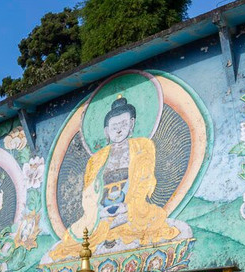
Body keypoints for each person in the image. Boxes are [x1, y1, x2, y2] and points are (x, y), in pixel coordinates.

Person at [53, 95, 179, 258]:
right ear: (106, 131)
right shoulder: (96, 159)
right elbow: (89, 191)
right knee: (73, 237)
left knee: (150, 221)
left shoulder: (143, 146)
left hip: (132, 207)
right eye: (114, 127)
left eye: (124, 124)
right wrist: (98, 211)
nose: (119, 130)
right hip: (101, 210)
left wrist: (128, 205)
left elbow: (145, 180)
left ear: (132, 124)